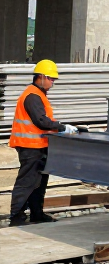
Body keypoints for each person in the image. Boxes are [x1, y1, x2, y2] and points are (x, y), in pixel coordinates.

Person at [7, 60, 79, 226]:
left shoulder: (38, 94)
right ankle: (16, 217)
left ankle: (36, 214)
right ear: (40, 77)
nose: (53, 82)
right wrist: (62, 128)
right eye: (51, 78)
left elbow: (44, 122)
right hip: (29, 147)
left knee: (39, 182)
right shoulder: (32, 96)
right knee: (27, 182)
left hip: (39, 146)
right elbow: (41, 121)